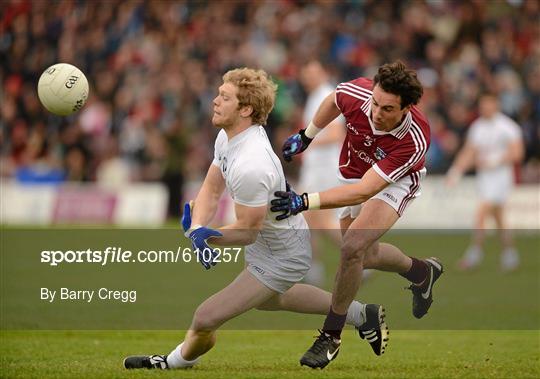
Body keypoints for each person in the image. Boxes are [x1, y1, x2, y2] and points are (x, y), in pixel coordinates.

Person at [123, 68, 388, 370]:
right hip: (271, 240)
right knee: (271, 299)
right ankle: (359, 314)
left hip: (283, 253)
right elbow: (211, 187)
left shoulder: (252, 164)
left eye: (224, 97)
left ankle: (173, 363)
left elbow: (247, 231)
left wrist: (207, 237)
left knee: (205, 317)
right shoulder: (229, 136)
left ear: (245, 109)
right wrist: (198, 228)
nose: (214, 101)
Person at [271, 60, 444, 369]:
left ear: (406, 109)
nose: (377, 113)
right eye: (376, 103)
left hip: (395, 181)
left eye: (388, 109)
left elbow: (366, 191)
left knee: (352, 247)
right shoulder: (358, 93)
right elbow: (334, 100)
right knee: (364, 254)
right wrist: (307, 135)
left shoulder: (414, 139)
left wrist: (303, 201)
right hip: (354, 170)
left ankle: (330, 336)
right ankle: (421, 272)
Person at [446, 93, 524, 272]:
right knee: (498, 217)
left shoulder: (507, 127)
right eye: (483, 105)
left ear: (496, 104)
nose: (485, 108)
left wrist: (495, 160)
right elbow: (469, 151)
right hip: (485, 178)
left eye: (489, 104)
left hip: (501, 177)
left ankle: (474, 253)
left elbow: (518, 152)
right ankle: (510, 254)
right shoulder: (478, 127)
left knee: (482, 212)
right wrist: (456, 170)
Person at [296, 60, 345, 286]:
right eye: (307, 73)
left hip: (323, 169)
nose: (309, 77)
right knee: (310, 218)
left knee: (319, 219)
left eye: (314, 73)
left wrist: (305, 143)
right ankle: (314, 267)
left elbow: (336, 133)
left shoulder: (327, 95)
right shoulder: (316, 96)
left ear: (324, 73)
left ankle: (359, 259)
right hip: (316, 168)